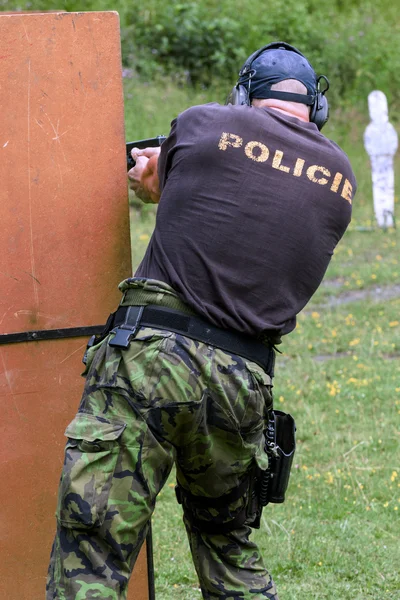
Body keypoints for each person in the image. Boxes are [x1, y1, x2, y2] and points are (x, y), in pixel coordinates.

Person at [47, 42, 356, 599]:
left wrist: (151, 168)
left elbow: (158, 186)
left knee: (93, 552)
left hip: (151, 361)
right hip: (243, 382)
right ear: (315, 109)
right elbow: (246, 199)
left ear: (243, 95)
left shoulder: (203, 125)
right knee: (228, 548)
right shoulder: (340, 177)